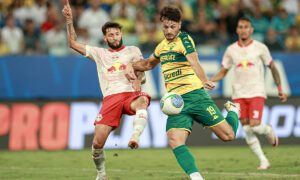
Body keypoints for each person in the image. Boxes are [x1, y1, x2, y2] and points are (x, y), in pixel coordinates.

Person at [125, 6, 240, 180]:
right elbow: (148, 64)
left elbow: (193, 61)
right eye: (165, 27)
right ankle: (196, 178)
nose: (169, 30)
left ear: (179, 24)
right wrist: (129, 66)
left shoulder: (184, 39)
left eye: (173, 26)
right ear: (161, 26)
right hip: (176, 102)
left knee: (228, 135)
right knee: (174, 141)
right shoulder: (161, 46)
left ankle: (233, 110)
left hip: (196, 95)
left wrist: (203, 79)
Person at [62, 1, 151, 180]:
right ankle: (102, 174)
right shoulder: (100, 53)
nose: (115, 37)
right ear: (105, 38)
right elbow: (73, 43)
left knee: (143, 101)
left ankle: (135, 136)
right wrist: (70, 20)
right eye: (111, 35)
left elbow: (142, 72)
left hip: (130, 94)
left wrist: (138, 80)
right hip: (110, 99)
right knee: (97, 144)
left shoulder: (133, 50)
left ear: (121, 34)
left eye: (117, 34)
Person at [210, 17, 288, 170]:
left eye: (246, 27)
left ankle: (268, 130)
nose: (243, 29)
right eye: (241, 27)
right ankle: (263, 160)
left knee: (254, 126)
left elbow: (272, 67)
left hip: (256, 91)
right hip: (238, 94)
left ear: (251, 30)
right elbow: (223, 71)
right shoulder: (231, 50)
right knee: (246, 128)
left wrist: (279, 89)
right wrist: (210, 80)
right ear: (237, 30)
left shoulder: (260, 47)